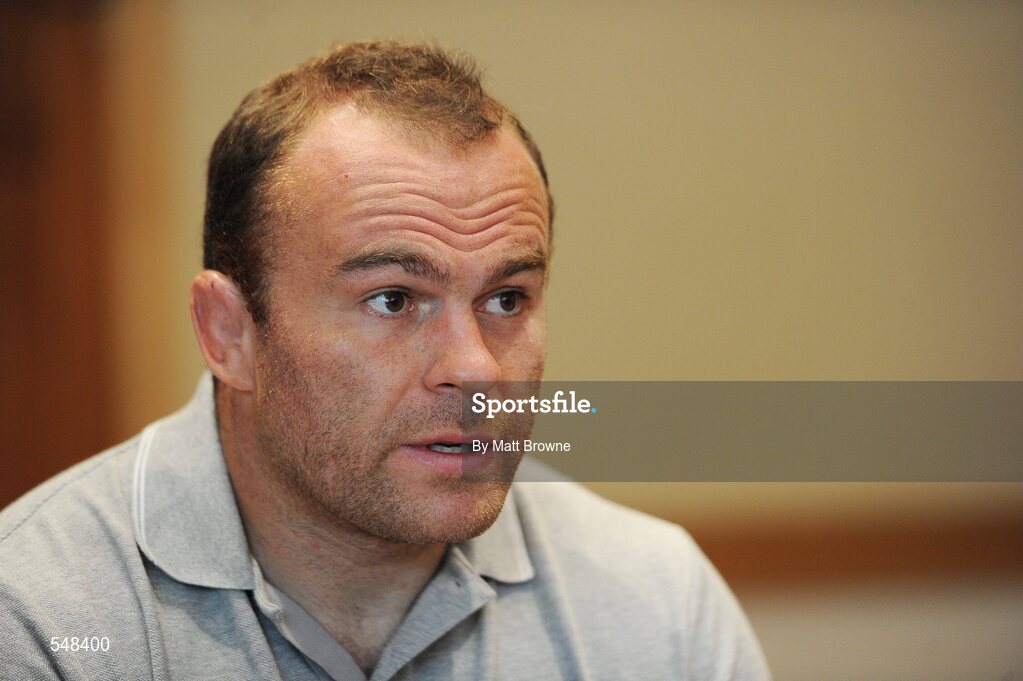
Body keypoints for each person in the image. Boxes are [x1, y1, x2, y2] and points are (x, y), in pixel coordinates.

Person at [0, 41, 770, 680]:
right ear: (229, 333)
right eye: (394, 299)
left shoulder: (657, 606)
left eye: (506, 298)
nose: (475, 369)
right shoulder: (40, 615)